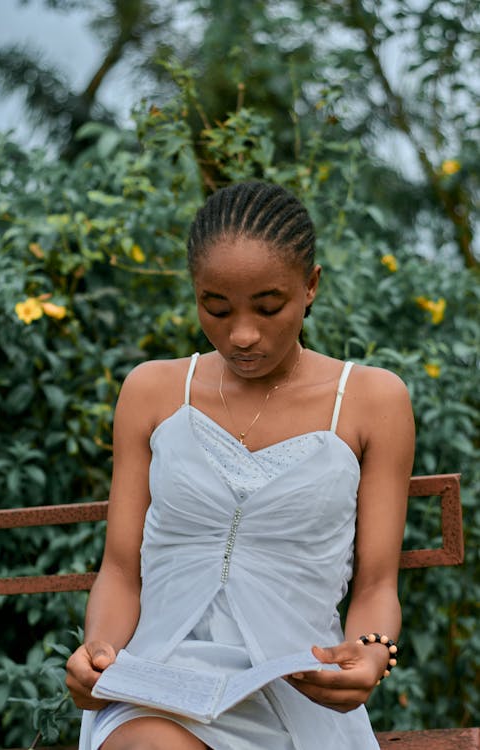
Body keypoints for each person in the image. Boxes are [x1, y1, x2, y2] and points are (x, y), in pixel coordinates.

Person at [66, 181, 415, 750]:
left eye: (269, 306)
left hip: (296, 689)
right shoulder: (152, 391)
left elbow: (377, 582)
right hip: (157, 688)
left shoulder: (373, 401)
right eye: (217, 308)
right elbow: (122, 568)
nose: (243, 335)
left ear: (311, 286)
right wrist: (100, 654)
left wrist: (372, 652)